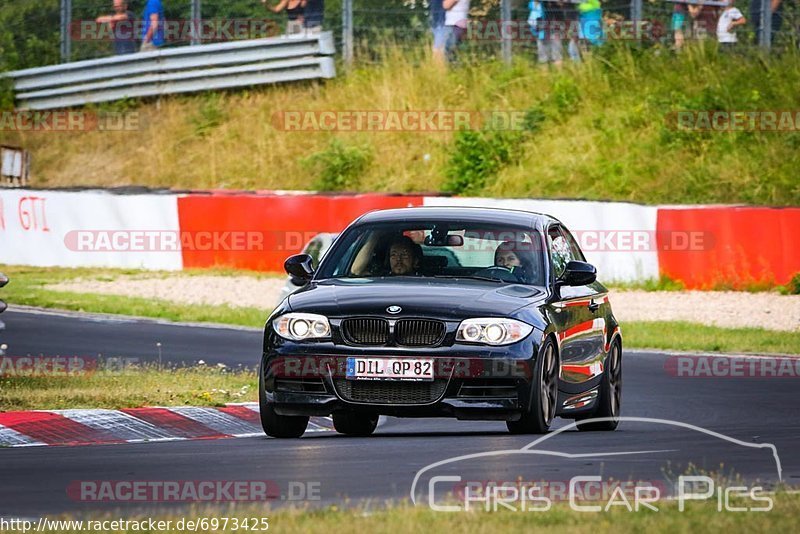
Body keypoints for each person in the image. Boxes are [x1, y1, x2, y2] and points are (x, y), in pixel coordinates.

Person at [528, 0, 564, 67]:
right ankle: (545, 75)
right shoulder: (534, 4)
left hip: (555, 24)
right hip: (541, 27)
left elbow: (561, 4)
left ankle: (559, 75)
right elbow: (533, 5)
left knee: (557, 54)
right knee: (543, 55)